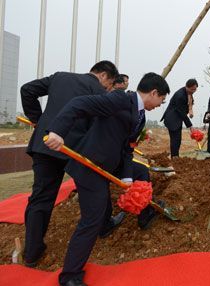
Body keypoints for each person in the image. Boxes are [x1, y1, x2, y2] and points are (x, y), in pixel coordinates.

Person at [44, 72, 169, 286]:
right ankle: (70, 276)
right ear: (154, 93)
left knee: (140, 172)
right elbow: (78, 104)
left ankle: (144, 213)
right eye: (161, 100)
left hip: (111, 161)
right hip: (90, 166)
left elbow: (128, 149)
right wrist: (57, 131)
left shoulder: (140, 116)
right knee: (92, 218)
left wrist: (128, 177)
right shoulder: (121, 99)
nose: (160, 105)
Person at [19, 60, 119, 268]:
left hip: (46, 143)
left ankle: (32, 252)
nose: (108, 89)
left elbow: (27, 90)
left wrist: (39, 121)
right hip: (75, 149)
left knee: (41, 197)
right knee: (96, 187)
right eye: (109, 84)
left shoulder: (60, 77)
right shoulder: (99, 91)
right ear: (103, 76)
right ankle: (104, 225)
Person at [160, 79, 197, 157]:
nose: (194, 91)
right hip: (172, 119)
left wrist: (190, 111)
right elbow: (181, 112)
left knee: (178, 140)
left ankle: (175, 156)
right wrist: (190, 126)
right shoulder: (180, 95)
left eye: (195, 89)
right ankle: (174, 157)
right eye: (192, 89)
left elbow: (190, 103)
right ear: (187, 86)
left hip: (178, 119)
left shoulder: (188, 93)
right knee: (175, 140)